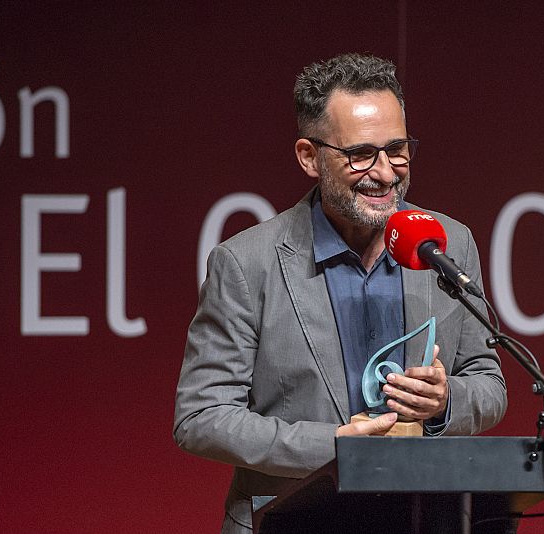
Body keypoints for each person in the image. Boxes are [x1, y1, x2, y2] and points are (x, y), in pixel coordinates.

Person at [174, 53, 507, 533]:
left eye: (397, 149)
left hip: (421, 519)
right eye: (360, 154)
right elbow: (201, 417)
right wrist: (334, 445)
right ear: (309, 157)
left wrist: (445, 401)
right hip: (293, 520)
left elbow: (489, 384)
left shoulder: (447, 242)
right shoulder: (247, 263)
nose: (386, 172)